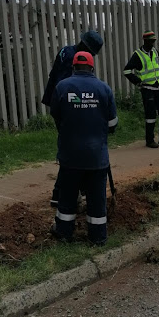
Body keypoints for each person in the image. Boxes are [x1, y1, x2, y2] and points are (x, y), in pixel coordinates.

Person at [49, 51, 118, 246]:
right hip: (97, 157)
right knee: (97, 199)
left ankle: (64, 233)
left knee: (67, 197)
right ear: (92, 68)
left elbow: (57, 116)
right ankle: (97, 237)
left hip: (70, 156)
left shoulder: (62, 87)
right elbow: (112, 124)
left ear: (73, 68)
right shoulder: (104, 89)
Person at [43, 29, 104, 206]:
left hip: (59, 105)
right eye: (91, 52)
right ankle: (61, 193)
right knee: (73, 149)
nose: (91, 55)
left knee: (73, 148)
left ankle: (75, 189)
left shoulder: (66, 51)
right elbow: (69, 89)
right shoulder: (73, 59)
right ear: (86, 46)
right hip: (65, 110)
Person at [123, 30, 159, 148]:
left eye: (154, 41)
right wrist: (138, 82)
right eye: (151, 41)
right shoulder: (138, 55)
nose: (153, 43)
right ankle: (150, 140)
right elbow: (126, 71)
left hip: (158, 86)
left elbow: (156, 70)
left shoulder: (155, 52)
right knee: (150, 114)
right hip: (147, 88)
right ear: (145, 41)